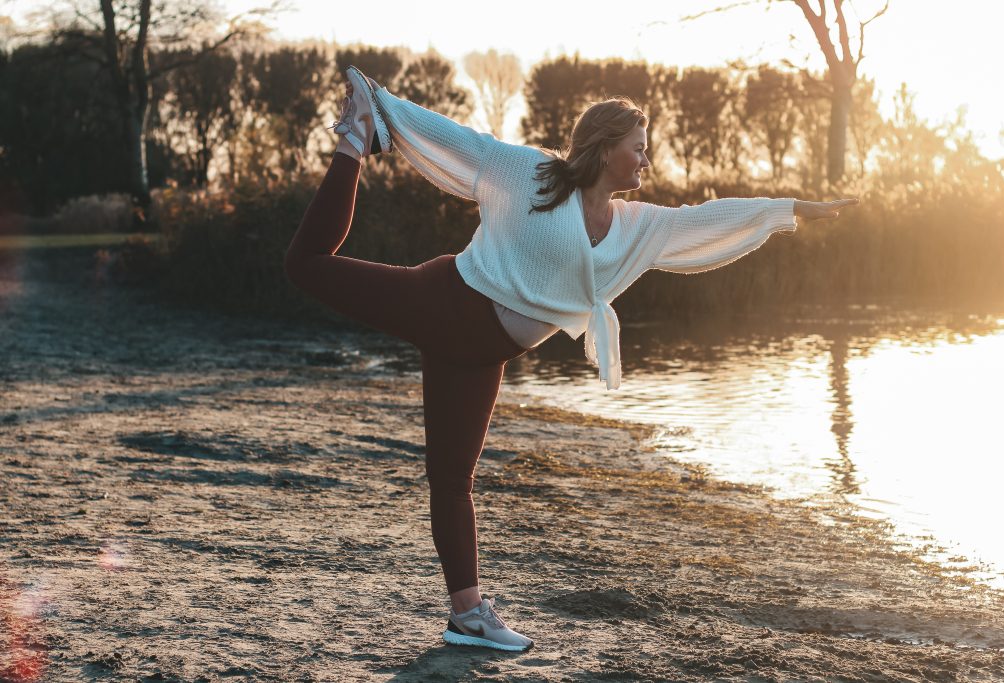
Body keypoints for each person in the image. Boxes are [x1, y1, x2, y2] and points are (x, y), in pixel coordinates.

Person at [284, 66, 858, 653]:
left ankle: (468, 617)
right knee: (306, 265)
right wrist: (384, 107)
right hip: (442, 304)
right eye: (638, 149)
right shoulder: (532, 174)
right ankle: (355, 137)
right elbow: (464, 143)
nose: (645, 160)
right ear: (606, 148)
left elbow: (703, 220)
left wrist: (786, 210)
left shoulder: (636, 227)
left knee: (452, 480)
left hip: (480, 355)